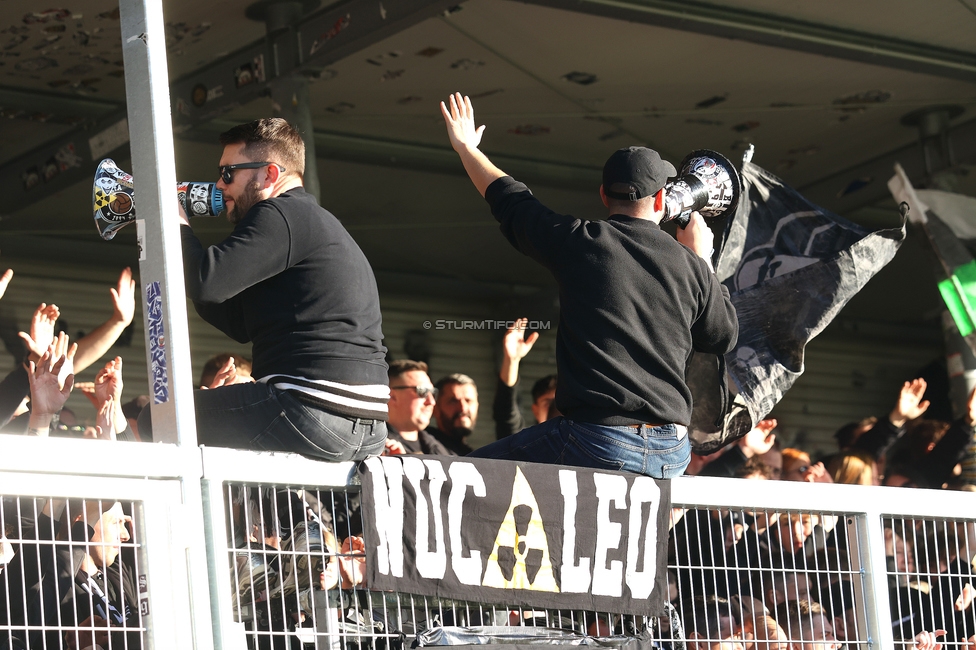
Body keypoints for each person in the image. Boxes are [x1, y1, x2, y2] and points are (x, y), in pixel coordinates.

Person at [441, 92, 737, 477]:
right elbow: (723, 336)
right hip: (672, 449)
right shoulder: (690, 264)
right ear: (664, 197)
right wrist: (703, 260)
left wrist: (466, 149)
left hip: (598, 440)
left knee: (462, 478)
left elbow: (511, 200)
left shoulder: (581, 242)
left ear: (602, 195)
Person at [140, 118, 388, 461]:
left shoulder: (280, 212)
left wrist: (175, 223)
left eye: (229, 173)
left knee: (155, 417)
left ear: (270, 174)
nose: (220, 185)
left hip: (311, 410)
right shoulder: (310, 220)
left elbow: (207, 281)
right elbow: (236, 321)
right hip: (367, 428)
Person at [493, 318, 557, 439]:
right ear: (535, 410)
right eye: (548, 403)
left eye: (561, 403)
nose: (556, 409)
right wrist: (512, 360)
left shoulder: (585, 443)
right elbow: (506, 414)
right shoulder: (525, 446)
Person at [383, 360, 450, 456]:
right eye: (422, 392)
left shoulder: (440, 449)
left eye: (432, 393)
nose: (431, 402)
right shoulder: (372, 447)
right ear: (392, 396)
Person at [429, 373, 479, 455]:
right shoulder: (424, 445)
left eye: (468, 400)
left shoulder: (471, 455)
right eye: (453, 401)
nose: (463, 408)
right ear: (435, 408)